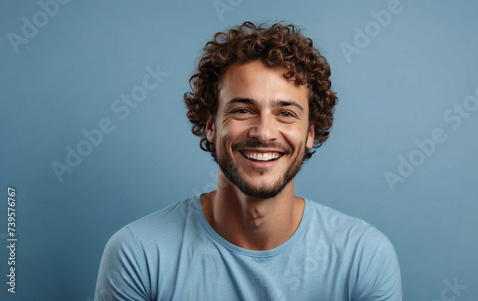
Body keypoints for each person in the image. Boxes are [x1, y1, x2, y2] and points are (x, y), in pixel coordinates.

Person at [94, 21, 402, 301]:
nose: (264, 132)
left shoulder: (364, 257)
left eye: (286, 113)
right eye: (243, 110)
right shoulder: (138, 254)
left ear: (310, 133)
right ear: (211, 126)